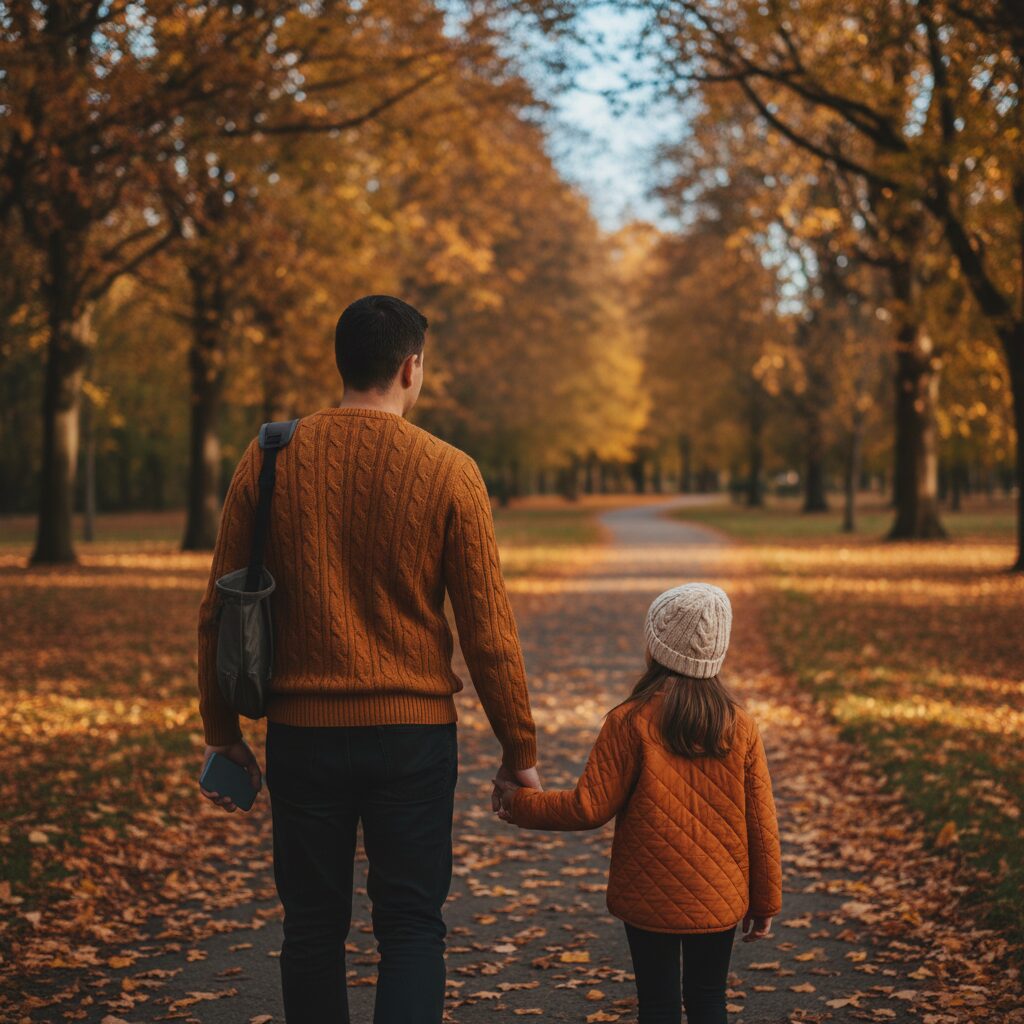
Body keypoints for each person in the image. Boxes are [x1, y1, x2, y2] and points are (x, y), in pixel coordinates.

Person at [195, 294, 541, 1024]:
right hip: (412, 738)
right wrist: (519, 747)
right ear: (411, 367)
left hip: (302, 733)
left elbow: (219, 611)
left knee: (312, 928)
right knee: (412, 925)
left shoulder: (268, 458)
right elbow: (488, 631)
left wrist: (221, 731)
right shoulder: (451, 471)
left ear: (342, 362)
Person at [494, 582, 782, 1024]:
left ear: (656, 647)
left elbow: (588, 807)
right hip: (719, 894)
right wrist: (765, 902)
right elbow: (762, 823)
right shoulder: (739, 724)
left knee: (658, 1006)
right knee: (709, 1002)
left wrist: (520, 802)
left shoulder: (628, 721)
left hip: (648, 896)